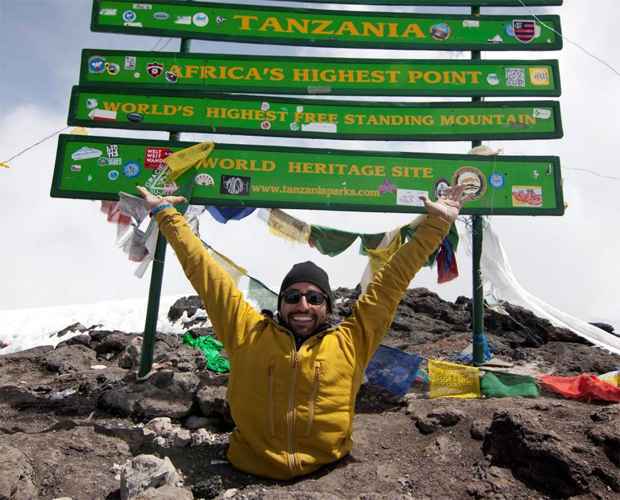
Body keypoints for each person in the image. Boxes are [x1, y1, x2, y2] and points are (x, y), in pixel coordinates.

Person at [137, 185, 466, 480]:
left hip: (327, 468)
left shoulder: (352, 341)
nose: (303, 305)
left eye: (314, 298)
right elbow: (206, 274)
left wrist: (437, 225)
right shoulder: (246, 333)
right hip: (248, 465)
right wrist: (167, 215)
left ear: (327, 306)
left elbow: (391, 282)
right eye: (292, 297)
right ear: (280, 305)